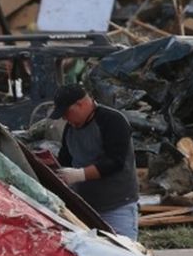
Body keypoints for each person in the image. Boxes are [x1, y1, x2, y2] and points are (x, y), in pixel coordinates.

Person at [52, 83, 140, 240]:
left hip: (117, 206)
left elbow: (115, 162)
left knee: (123, 254)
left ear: (81, 104)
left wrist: (80, 174)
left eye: (66, 112)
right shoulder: (70, 129)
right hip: (85, 208)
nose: (65, 118)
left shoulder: (113, 121)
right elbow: (64, 160)